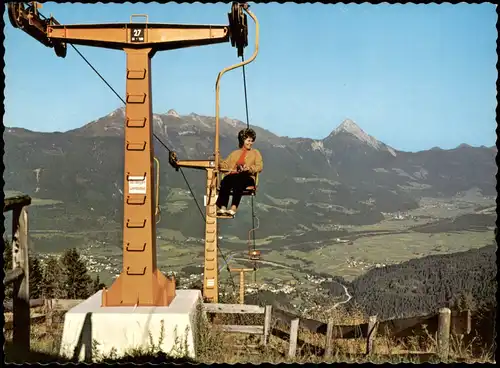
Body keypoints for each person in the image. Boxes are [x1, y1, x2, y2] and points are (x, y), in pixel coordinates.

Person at [216, 128, 263, 216]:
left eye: (252, 141)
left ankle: (233, 207)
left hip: (247, 177)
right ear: (243, 140)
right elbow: (225, 166)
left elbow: (259, 166)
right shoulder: (235, 153)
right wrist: (218, 159)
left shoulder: (255, 153)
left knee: (239, 179)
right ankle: (223, 206)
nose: (250, 143)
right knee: (226, 180)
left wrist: (249, 168)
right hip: (234, 176)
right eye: (248, 141)